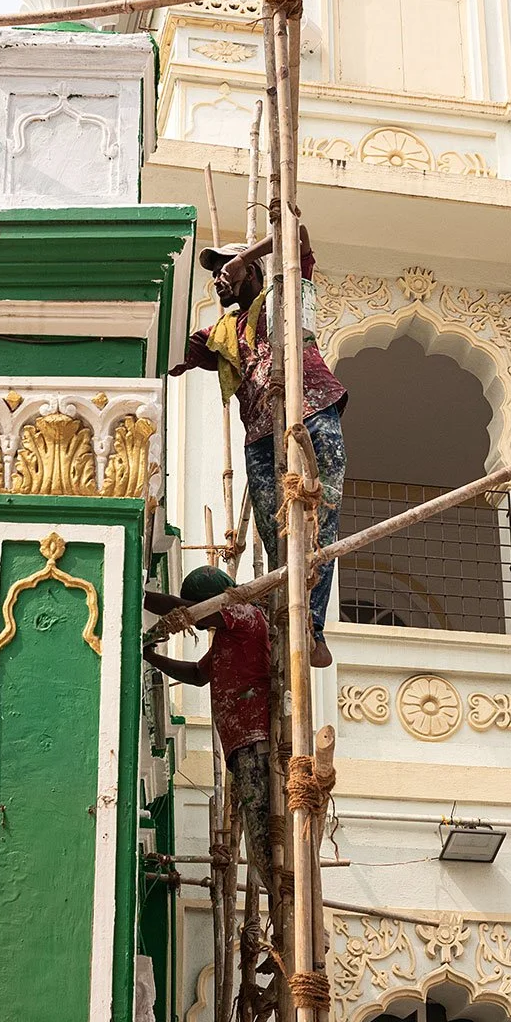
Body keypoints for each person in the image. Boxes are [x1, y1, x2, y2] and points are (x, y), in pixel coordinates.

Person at [170, 226, 345, 668]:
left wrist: (245, 254)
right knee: (276, 533)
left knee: (320, 518)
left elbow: (296, 232)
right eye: (214, 273)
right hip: (260, 435)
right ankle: (290, 617)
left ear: (249, 271)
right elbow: (173, 354)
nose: (218, 280)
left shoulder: (284, 294)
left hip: (312, 409)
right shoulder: (222, 333)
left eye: (223, 270)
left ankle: (313, 627)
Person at [144, 566, 274, 892]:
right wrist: (151, 657)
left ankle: (286, 899)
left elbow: (187, 611)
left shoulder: (245, 614)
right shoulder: (229, 638)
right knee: (262, 846)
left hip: (254, 741)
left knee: (267, 845)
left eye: (198, 606)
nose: (197, 623)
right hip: (241, 748)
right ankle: (282, 895)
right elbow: (197, 675)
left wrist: (138, 595)